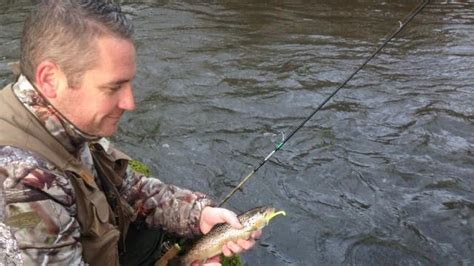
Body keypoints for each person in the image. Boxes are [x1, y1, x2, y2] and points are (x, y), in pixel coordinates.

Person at [0, 0, 260, 265]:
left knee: (151, 235)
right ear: (50, 80)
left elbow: (124, 185)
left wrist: (198, 214)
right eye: (113, 88)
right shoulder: (18, 182)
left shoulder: (63, 117)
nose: (130, 103)